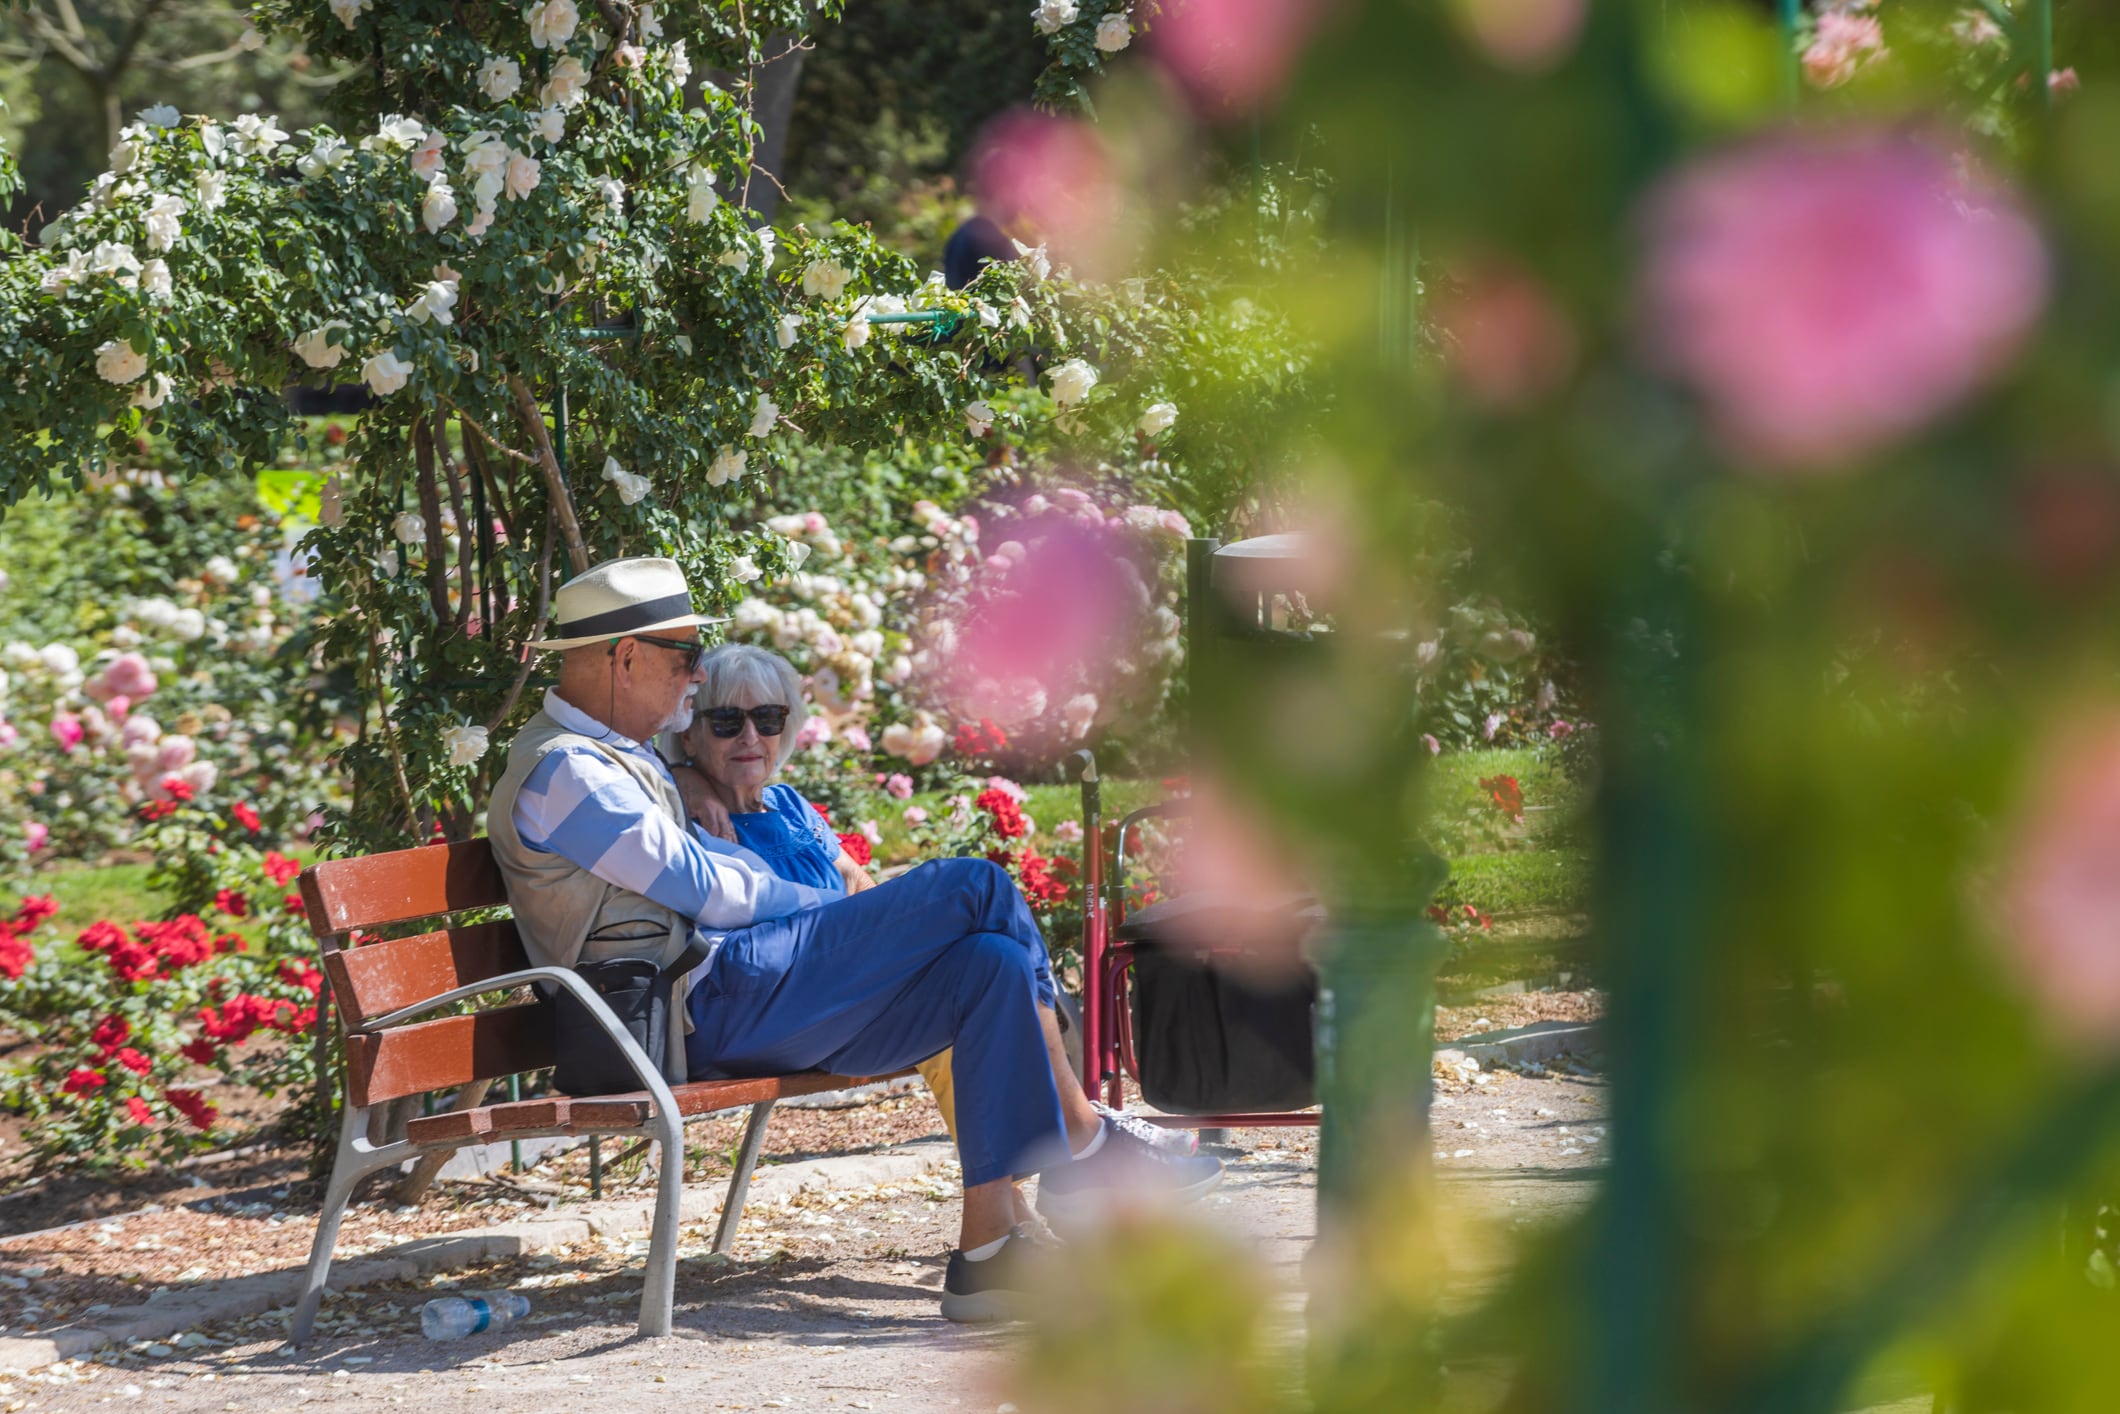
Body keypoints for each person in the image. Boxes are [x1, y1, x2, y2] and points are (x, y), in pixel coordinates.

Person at [485, 558, 1222, 1322]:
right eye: (684, 659)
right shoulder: (568, 773)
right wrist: (825, 909)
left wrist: (707, 794)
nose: (696, 680)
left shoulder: (614, 757)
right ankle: (1081, 1140)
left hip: (728, 994)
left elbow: (702, 826)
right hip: (685, 1013)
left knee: (988, 963)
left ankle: (988, 1257)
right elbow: (702, 886)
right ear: (626, 658)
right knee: (977, 887)